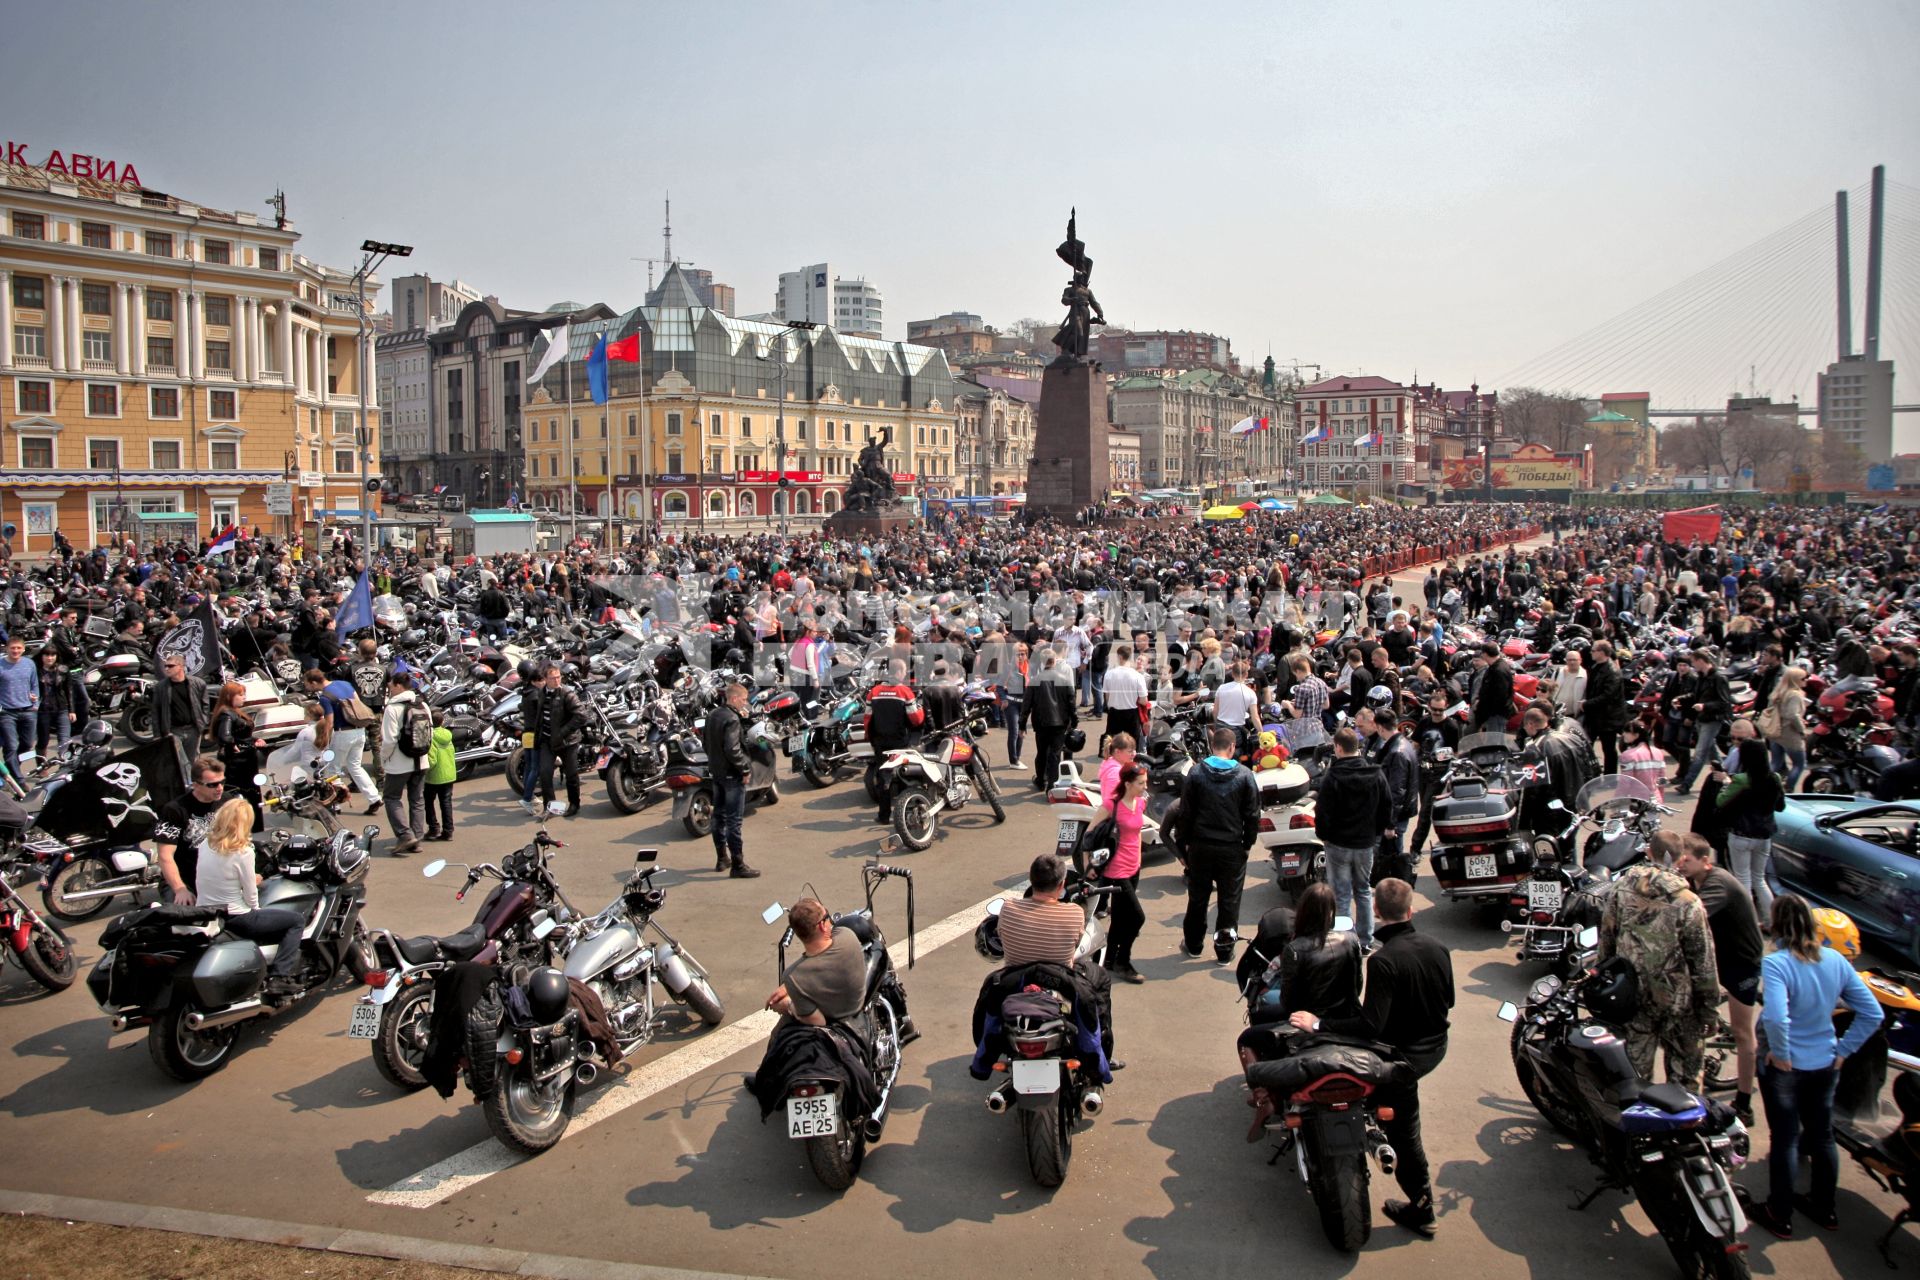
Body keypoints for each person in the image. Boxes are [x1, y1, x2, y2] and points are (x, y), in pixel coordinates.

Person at [1289, 878, 1453, 1237]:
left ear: (1375, 911)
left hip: (1397, 1060)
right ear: (1410, 911)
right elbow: (1448, 1002)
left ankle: (1422, 1206)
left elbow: (1371, 1025)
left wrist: (1319, 1024)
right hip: (1437, 1047)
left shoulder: (1384, 961)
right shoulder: (1438, 947)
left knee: (1406, 1133)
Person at [1751, 893, 1885, 1239]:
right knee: (1822, 1136)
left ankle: (1779, 1214)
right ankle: (1824, 1207)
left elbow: (1777, 1017)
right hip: (1825, 1063)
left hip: (1786, 1069)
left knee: (1784, 1141)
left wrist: (1779, 1053)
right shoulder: (1836, 961)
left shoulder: (1777, 963)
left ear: (1777, 926)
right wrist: (1844, 1049)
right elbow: (1873, 1012)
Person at [1597, 837, 1718, 1091]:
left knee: (1634, 1080)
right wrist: (1708, 1010)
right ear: (1680, 859)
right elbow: (1703, 962)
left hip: (1631, 998)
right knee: (1685, 1084)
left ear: (1649, 852)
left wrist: (1604, 982)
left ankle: (1639, 1126)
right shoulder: (1688, 902)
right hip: (1678, 1004)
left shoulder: (1621, 888)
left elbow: (1607, 940)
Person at [1671, 832, 1764, 1125]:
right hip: (1715, 957)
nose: (1681, 866)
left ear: (1705, 861)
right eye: (1679, 860)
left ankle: (1745, 1102)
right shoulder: (1694, 881)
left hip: (1740, 964)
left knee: (1742, 1033)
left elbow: (1688, 917)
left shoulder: (1717, 885)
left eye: (1687, 861)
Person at [195, 796, 305, 1002]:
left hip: (206, 912)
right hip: (238, 917)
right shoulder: (242, 851)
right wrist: (256, 908)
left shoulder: (205, 844)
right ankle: (280, 976)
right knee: (296, 921)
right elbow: (250, 893)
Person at [1175, 725, 1261, 964]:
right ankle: (1224, 950)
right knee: (1229, 901)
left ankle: (1193, 945)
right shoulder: (1244, 775)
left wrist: (1184, 845)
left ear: (1213, 746)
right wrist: (1247, 843)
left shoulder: (1196, 773)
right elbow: (1253, 814)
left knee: (1198, 898)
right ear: (1232, 747)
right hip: (1231, 848)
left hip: (1201, 847)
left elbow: (1185, 813)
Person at [1312, 727, 1392, 954]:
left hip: (1338, 844)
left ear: (1338, 748)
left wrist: (1324, 836)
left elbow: (1323, 812)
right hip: (1364, 844)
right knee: (1364, 891)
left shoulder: (1333, 777)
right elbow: (1387, 807)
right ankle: (1366, 941)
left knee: (1341, 894)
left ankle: (1344, 943)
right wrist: (1375, 832)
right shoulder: (1375, 774)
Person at [1083, 761, 1148, 983]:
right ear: (1128, 783)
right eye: (1140, 783)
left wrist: (1138, 859)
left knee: (1120, 918)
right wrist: (1088, 866)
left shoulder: (1139, 803)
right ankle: (1123, 960)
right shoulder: (1111, 805)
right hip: (1116, 870)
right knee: (1138, 917)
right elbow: (1089, 835)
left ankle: (1109, 959)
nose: (1144, 787)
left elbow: (1137, 834)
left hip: (1133, 867)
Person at [764, 898, 866, 1028]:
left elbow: (817, 1021)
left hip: (832, 1024)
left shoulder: (794, 978)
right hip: (856, 1012)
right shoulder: (847, 936)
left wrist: (788, 1004)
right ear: (822, 925)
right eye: (827, 915)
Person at [1713, 724, 1780, 917]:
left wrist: (1726, 783)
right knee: (1760, 879)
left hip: (1741, 834)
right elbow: (1780, 805)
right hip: (1764, 834)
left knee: (1743, 879)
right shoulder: (1773, 778)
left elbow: (1720, 801)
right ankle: (1770, 921)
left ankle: (1747, 920)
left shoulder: (1741, 779)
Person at [153, 754, 232, 905]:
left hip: (218, 877)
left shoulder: (228, 802)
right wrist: (180, 889)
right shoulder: (174, 810)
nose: (220, 788)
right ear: (195, 785)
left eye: (222, 782)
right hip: (185, 879)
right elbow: (165, 856)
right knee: (185, 918)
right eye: (212, 785)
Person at [701, 681, 761, 878]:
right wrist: (744, 769)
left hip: (717, 773)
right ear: (734, 698)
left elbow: (706, 743)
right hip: (731, 776)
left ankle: (721, 858)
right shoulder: (732, 719)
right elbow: (732, 748)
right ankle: (738, 864)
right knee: (734, 821)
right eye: (743, 700)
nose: (744, 704)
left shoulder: (712, 715)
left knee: (718, 817)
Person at [304, 667, 381, 814]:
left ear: (314, 683)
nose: (307, 687)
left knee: (333, 770)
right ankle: (375, 798)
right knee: (355, 766)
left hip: (342, 733)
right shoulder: (344, 684)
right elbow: (357, 704)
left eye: (307, 684)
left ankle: (336, 804)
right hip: (359, 730)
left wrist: (323, 739)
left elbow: (330, 722)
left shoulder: (325, 697)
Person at [1360, 707, 1420, 888]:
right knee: (1391, 856)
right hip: (1399, 813)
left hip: (1395, 816)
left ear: (1379, 727)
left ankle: (1395, 891)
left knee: (1391, 858)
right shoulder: (1401, 744)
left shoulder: (1396, 752)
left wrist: (1390, 824)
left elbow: (1396, 792)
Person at [520, 661, 586, 818]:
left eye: (558, 677)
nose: (556, 681)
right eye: (553, 678)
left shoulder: (567, 694)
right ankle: (551, 808)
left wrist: (562, 732)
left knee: (571, 775)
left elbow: (581, 715)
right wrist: (538, 738)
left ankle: (574, 804)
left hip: (567, 742)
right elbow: (540, 717)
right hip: (547, 741)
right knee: (544, 773)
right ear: (545, 679)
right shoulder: (542, 692)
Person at [864, 660, 923, 825]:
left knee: (884, 776)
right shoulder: (905, 692)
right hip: (900, 740)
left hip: (880, 741)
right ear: (898, 673)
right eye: (904, 671)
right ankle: (905, 814)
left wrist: (870, 737)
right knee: (904, 774)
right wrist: (922, 711)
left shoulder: (873, 692)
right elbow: (916, 719)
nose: (905, 674)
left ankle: (883, 816)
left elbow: (867, 718)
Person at [378, 670, 426, 856]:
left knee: (391, 797)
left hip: (399, 763)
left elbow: (389, 740)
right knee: (417, 799)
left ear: (398, 686)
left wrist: (384, 758)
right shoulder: (422, 704)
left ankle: (405, 835)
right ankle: (417, 838)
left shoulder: (392, 708)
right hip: (421, 760)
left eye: (390, 685)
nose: (389, 689)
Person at [1674, 650, 1732, 795]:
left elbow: (1724, 703)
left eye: (1693, 662)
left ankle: (1686, 784)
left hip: (1712, 720)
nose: (1692, 665)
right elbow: (1696, 695)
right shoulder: (1701, 677)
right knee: (1711, 751)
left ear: (1701, 661)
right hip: (1701, 719)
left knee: (1700, 753)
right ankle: (1726, 776)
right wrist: (1681, 698)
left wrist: (1705, 706)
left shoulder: (1718, 678)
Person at [208, 681, 264, 831]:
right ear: (229, 696)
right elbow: (225, 736)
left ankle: (252, 825)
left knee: (250, 793)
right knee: (240, 793)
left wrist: (254, 740)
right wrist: (233, 744)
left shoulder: (234, 711)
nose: (243, 697)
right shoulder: (227, 713)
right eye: (240, 694)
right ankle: (243, 826)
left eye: (243, 694)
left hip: (246, 759)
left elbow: (240, 734)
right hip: (238, 762)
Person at [1022, 646, 1076, 792]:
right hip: (1060, 723)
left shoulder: (1034, 680)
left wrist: (1022, 725)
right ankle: (1051, 785)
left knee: (1041, 752)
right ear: (1054, 661)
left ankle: (1041, 780)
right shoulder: (1064, 680)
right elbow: (1071, 701)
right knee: (1055, 754)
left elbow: (1026, 705)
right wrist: (1074, 720)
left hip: (1041, 723)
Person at [1582, 640, 1628, 775]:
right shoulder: (1597, 667)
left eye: (1593, 650)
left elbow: (1607, 696)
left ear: (1602, 652)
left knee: (1608, 748)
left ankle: (1610, 775)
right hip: (1595, 716)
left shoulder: (1612, 671)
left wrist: (1586, 704)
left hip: (1608, 718)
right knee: (1586, 745)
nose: (1591, 653)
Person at [151, 651, 208, 759]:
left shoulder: (198, 683)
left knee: (193, 761)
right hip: (173, 731)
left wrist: (203, 723)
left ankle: (191, 777)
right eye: (165, 666)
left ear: (181, 667)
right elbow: (156, 712)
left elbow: (205, 705)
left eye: (170, 666)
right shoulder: (160, 687)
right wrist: (157, 735)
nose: (167, 669)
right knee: (177, 762)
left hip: (193, 730)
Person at [1764, 665, 1810, 789]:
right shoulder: (1795, 694)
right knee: (1799, 764)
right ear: (1795, 680)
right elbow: (1792, 715)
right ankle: (1789, 789)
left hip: (1776, 732)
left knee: (1776, 762)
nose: (1806, 680)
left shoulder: (1779, 692)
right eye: (1804, 678)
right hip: (1790, 734)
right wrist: (1802, 730)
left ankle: (1765, 785)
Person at [1101, 643, 1151, 752]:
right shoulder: (1138, 676)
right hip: (1131, 714)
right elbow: (1143, 700)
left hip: (1114, 714)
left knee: (1113, 745)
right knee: (1132, 746)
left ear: (1119, 657)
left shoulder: (1109, 674)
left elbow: (1107, 698)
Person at [423, 710, 457, 842]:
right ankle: (448, 831)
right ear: (442, 722)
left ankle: (433, 828)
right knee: (446, 802)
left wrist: (424, 771)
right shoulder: (448, 735)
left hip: (434, 776)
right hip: (449, 774)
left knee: (428, 802)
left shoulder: (430, 737)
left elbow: (431, 760)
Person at [1469, 641, 1514, 736]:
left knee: (1494, 742)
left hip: (1496, 715)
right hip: (1492, 714)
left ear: (1485, 654)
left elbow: (1500, 697)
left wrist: (1484, 709)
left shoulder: (1499, 670)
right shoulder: (1495, 667)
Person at [1617, 720, 1667, 803]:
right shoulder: (1658, 752)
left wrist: (1617, 800)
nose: (1623, 734)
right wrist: (1660, 798)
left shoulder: (1627, 755)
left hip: (1637, 801)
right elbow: (1661, 780)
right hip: (1655, 800)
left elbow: (1625, 782)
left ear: (1636, 735)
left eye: (1627, 732)